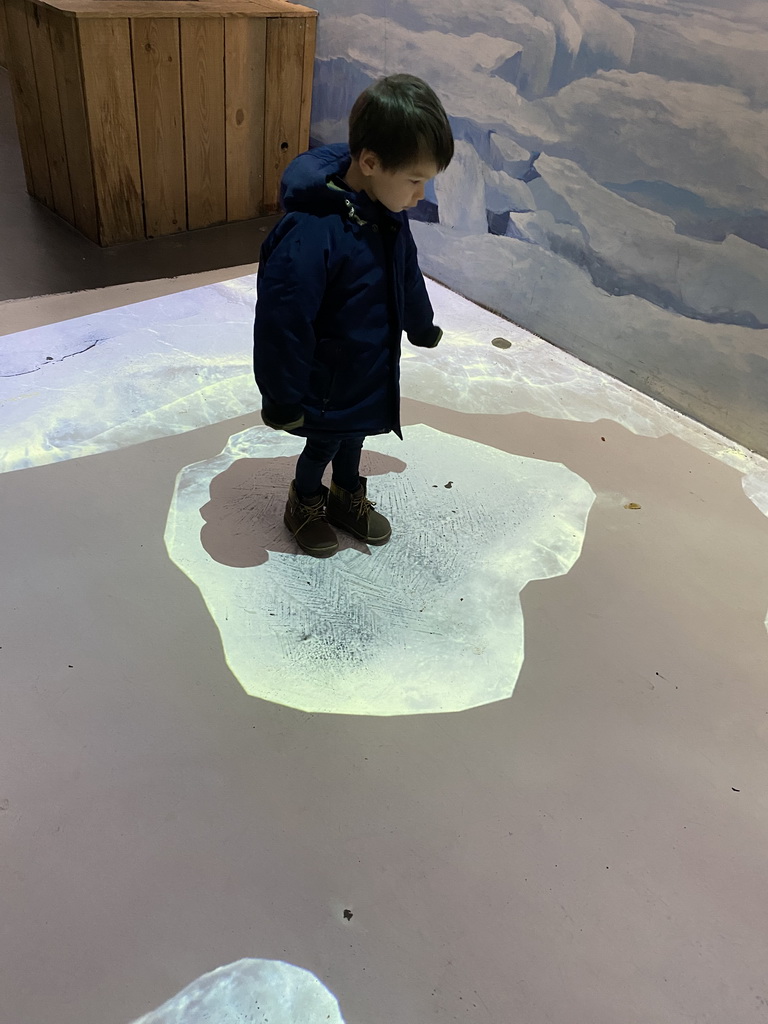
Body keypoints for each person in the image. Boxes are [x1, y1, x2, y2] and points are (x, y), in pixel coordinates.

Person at [253, 74, 454, 558]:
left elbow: (406, 273)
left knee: (354, 440)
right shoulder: (311, 232)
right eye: (413, 180)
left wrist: (420, 324)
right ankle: (304, 501)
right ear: (369, 162)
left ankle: (346, 497)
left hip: (370, 368)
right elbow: (284, 318)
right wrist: (281, 396)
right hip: (325, 378)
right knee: (322, 444)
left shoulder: (388, 213)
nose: (420, 194)